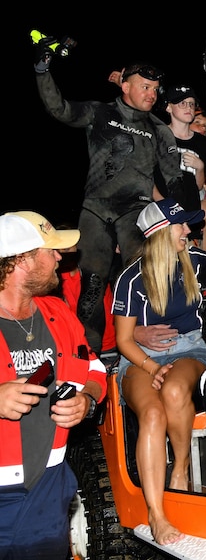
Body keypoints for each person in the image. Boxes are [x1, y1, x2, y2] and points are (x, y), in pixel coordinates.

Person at [35, 56, 184, 358]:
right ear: (125, 86)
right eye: (145, 87)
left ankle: (148, 346)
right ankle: (88, 357)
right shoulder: (100, 112)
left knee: (140, 279)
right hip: (96, 209)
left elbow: (175, 181)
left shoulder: (159, 129)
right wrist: (42, 70)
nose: (152, 95)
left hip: (136, 211)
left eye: (155, 89)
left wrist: (183, 223)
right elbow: (58, 108)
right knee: (91, 283)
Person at [0, 211, 106, 557]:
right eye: (51, 251)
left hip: (49, 489)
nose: (60, 257)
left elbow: (94, 368)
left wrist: (87, 401)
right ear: (22, 260)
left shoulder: (57, 312)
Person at [111, 198, 206, 546]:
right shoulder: (131, 278)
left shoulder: (198, 262)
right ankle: (157, 514)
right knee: (152, 414)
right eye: (182, 225)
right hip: (140, 356)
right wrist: (153, 367)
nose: (189, 230)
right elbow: (123, 340)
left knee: (173, 391)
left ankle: (181, 472)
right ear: (161, 232)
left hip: (189, 347)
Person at [54, 223, 117, 365]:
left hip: (111, 346)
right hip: (79, 351)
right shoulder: (53, 283)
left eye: (67, 248)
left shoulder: (95, 272)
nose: (62, 255)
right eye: (58, 250)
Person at [160, 85, 206, 211]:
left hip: (190, 211)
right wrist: (162, 206)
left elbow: (198, 187)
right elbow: (147, 179)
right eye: (182, 103)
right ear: (168, 107)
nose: (188, 107)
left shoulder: (202, 143)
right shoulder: (157, 135)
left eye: (191, 104)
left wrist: (200, 168)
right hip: (162, 210)